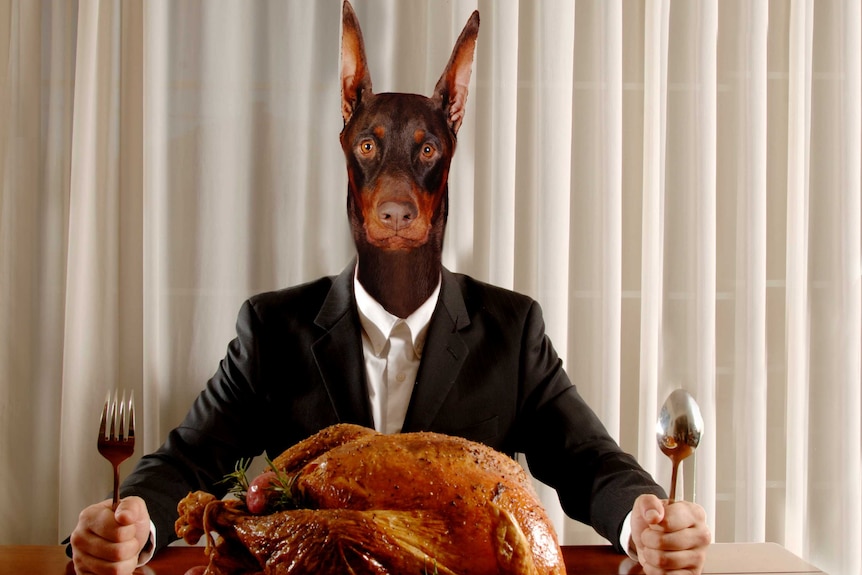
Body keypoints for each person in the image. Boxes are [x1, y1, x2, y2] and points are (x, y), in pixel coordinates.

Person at [70, 3, 710, 573]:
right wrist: (130, 523)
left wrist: (646, 520)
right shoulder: (273, 331)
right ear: (349, 156)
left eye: (425, 151)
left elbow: (590, 461)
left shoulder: (511, 333)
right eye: (372, 148)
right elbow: (184, 462)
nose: (397, 195)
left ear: (450, 146)